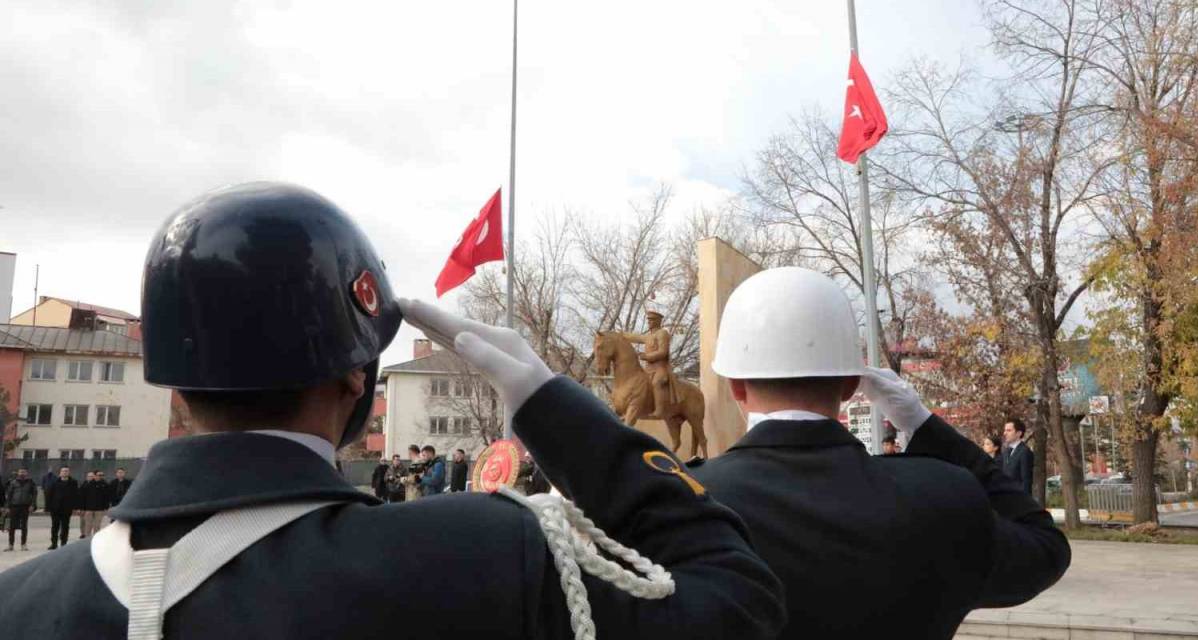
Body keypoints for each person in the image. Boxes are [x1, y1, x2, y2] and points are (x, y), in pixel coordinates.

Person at [0, 183, 784, 639]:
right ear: (356, 377)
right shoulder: (484, 550)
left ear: (173, 383)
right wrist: (554, 405)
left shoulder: (22, 603)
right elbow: (737, 601)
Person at [688, 267, 1071, 640]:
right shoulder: (942, 495)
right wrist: (925, 425)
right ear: (853, 384)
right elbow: (1046, 547)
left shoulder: (685, 504)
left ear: (736, 386)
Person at [621, 310, 676, 417]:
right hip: (649, 369)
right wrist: (620, 335)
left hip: (660, 368)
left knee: (657, 383)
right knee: (638, 384)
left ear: (658, 321)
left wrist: (647, 356)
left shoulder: (662, 333)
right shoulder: (649, 336)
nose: (649, 322)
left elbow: (663, 352)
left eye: (652, 320)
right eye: (648, 320)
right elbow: (636, 337)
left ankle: (659, 411)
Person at [44, 466, 78, 549]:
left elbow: (76, 495)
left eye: (66, 471)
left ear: (69, 472)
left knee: (65, 526)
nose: (65, 472)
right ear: (60, 473)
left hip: (67, 508)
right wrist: (48, 507)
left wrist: (75, 507)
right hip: (55, 508)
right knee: (55, 526)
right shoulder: (54, 482)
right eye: (63, 471)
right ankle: (54, 544)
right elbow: (49, 495)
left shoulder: (73, 482)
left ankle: (64, 543)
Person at [4, 469, 37, 551]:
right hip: (14, 506)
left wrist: (32, 505)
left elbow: (34, 494)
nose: (22, 473)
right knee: (12, 526)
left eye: (24, 472)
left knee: (24, 526)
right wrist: (7, 507)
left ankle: (23, 544)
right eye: (20, 472)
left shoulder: (31, 483)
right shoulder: (13, 482)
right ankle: (11, 545)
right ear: (18, 473)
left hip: (25, 507)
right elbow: (9, 495)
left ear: (27, 473)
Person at [1002, 418, 1035, 495]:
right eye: (1005, 430)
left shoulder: (1024, 452)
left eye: (1009, 430)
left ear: (1019, 433)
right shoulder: (1006, 452)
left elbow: (1026, 481)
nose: (1005, 433)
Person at [79, 470, 111, 538]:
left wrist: (106, 508)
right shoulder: (88, 485)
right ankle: (87, 540)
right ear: (95, 476)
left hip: (99, 509)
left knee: (97, 526)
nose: (100, 476)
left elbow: (107, 498)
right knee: (88, 526)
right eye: (98, 475)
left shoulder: (105, 485)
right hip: (89, 509)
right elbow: (83, 497)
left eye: (101, 475)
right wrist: (82, 508)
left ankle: (96, 539)